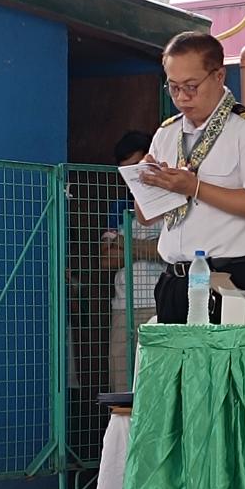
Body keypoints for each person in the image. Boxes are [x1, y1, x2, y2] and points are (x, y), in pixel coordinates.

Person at [140, 32, 245, 325]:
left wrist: (194, 187)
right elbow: (145, 217)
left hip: (227, 278)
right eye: (173, 87)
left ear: (219, 76)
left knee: (225, 356)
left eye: (191, 86)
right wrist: (146, 184)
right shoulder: (166, 133)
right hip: (173, 279)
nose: (182, 97)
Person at [101, 132, 160, 388]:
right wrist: (146, 247)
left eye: (136, 168)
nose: (133, 178)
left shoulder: (170, 202)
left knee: (155, 381)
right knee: (122, 384)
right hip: (122, 307)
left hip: (158, 304)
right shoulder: (119, 207)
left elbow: (168, 251)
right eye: (126, 172)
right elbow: (106, 259)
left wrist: (124, 244)